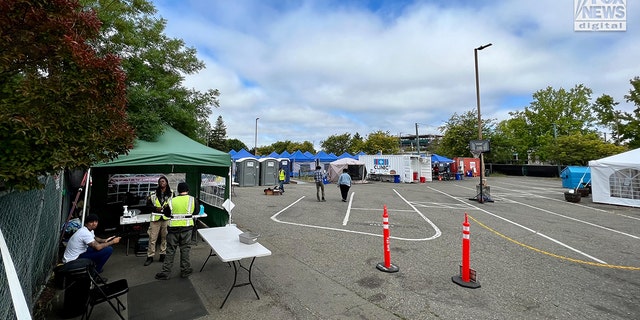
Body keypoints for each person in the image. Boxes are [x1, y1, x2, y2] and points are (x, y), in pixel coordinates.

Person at [155, 182, 198, 280]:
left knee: (170, 250)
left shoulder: (171, 200)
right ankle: (185, 271)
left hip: (173, 230)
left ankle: (165, 272)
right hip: (187, 229)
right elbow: (196, 211)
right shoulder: (192, 200)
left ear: (178, 190)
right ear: (187, 190)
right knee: (185, 250)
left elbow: (166, 214)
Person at [144, 176, 173, 266]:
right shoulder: (153, 193)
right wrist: (155, 208)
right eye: (160, 181)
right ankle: (150, 256)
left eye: (163, 181)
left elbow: (173, 205)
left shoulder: (172, 193)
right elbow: (147, 206)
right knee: (152, 238)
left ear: (167, 183)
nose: (162, 182)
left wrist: (166, 209)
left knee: (165, 238)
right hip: (155, 218)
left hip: (165, 218)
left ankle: (162, 255)